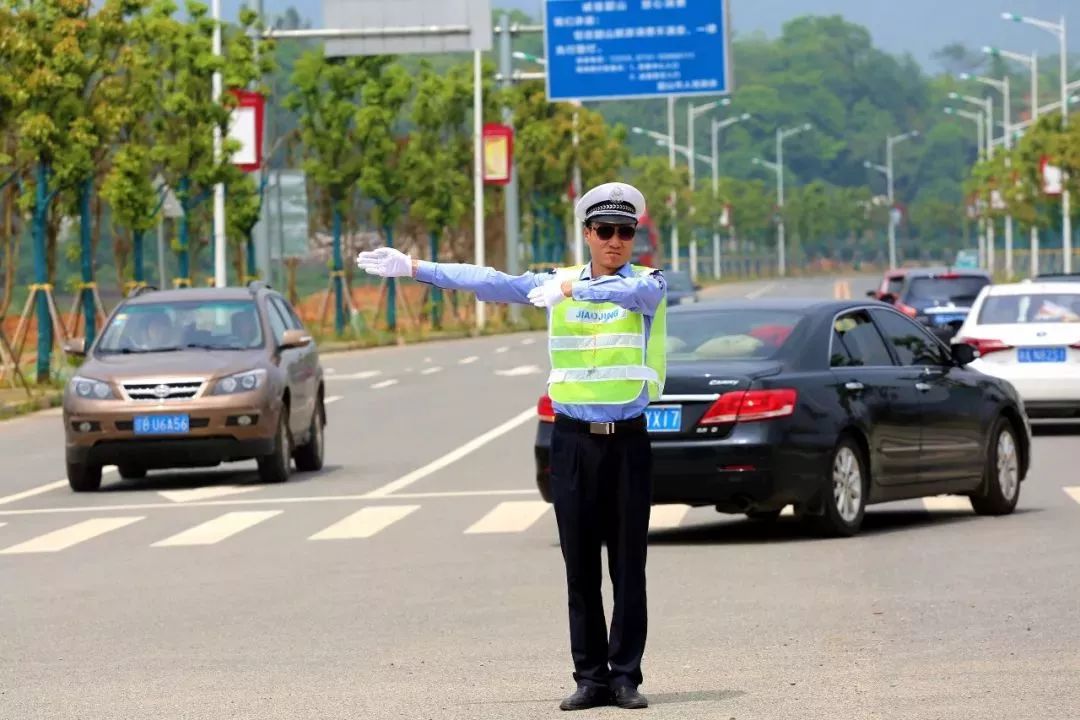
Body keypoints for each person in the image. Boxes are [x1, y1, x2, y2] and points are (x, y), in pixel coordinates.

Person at [357, 182, 667, 711]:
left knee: (628, 566)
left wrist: (574, 293)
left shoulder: (646, 281)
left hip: (627, 442)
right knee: (579, 567)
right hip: (572, 441)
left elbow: (637, 298)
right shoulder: (556, 281)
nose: (616, 241)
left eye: (626, 232)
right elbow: (490, 281)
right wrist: (414, 267)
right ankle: (590, 677)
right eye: (605, 231)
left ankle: (625, 677)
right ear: (587, 234)